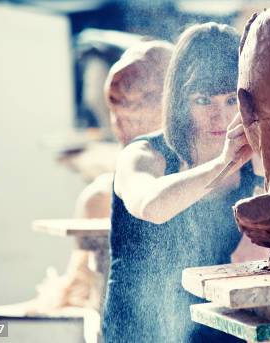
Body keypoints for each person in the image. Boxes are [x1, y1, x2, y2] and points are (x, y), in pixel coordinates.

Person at [102, 23, 260, 342]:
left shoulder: (251, 164)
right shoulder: (143, 154)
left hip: (213, 327)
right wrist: (223, 163)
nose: (220, 116)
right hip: (138, 332)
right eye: (203, 101)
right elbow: (151, 205)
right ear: (178, 101)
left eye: (231, 101)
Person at [24, 40, 174, 313]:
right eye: (116, 106)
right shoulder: (102, 195)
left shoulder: (230, 178)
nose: (122, 118)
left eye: (144, 101)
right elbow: (79, 289)